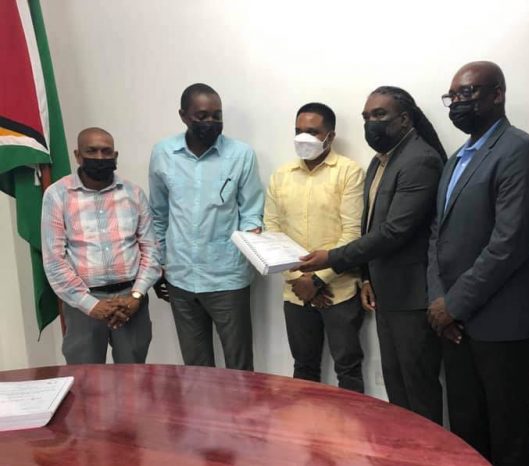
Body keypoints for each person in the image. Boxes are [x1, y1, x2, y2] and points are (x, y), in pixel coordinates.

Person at [427, 61, 529, 465]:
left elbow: (510, 244)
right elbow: (437, 236)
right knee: (466, 429)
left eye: (468, 93)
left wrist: (453, 304)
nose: (458, 103)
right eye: (453, 96)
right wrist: (439, 301)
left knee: (508, 433)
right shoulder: (457, 158)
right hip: (454, 322)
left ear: (497, 94)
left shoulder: (520, 152)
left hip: (503, 323)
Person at [297, 86, 446, 423]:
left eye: (380, 115)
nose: (371, 123)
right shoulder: (381, 161)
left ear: (405, 119)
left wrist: (332, 257)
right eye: (366, 117)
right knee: (397, 390)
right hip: (386, 292)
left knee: (419, 392)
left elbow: (395, 231)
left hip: (413, 297)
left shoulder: (420, 159)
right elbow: (370, 225)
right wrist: (365, 275)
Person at [149, 83, 264, 370]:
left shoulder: (241, 154)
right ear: (183, 115)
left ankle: (241, 416)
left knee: (239, 367)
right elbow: (159, 215)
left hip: (228, 277)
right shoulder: (163, 153)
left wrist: (253, 242)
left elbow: (251, 213)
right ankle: (202, 415)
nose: (211, 122)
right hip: (181, 278)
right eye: (202, 116)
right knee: (196, 369)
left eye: (217, 115)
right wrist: (160, 264)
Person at [264, 103, 366, 392]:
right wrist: (299, 280)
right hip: (295, 292)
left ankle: (351, 436)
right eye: (298, 131)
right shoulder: (280, 176)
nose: (303, 138)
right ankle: (307, 434)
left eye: (312, 132)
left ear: (329, 137)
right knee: (304, 367)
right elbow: (272, 233)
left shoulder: (349, 172)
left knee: (348, 367)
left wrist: (319, 280)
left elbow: (352, 234)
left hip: (339, 290)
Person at [41, 127, 160, 364]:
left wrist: (136, 295)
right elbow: (54, 259)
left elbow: (151, 250)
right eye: (91, 151)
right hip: (83, 302)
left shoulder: (133, 193)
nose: (99, 157)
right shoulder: (57, 195)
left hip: (131, 302)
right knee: (86, 383)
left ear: (115, 156)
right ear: (77, 155)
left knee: (134, 380)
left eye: (106, 151)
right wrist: (91, 305)